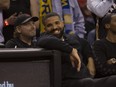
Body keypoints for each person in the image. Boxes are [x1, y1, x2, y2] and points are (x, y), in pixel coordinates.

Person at [37, 12, 116, 87]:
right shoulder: (44, 39)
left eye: (57, 23)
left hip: (85, 78)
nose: (54, 27)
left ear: (62, 23)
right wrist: (71, 50)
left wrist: (90, 60)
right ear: (45, 29)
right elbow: (46, 41)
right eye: (49, 25)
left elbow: (85, 44)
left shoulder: (72, 37)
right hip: (67, 82)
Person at [92, 13, 116, 78]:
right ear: (107, 25)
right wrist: (107, 64)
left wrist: (111, 62)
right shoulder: (98, 45)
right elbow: (103, 69)